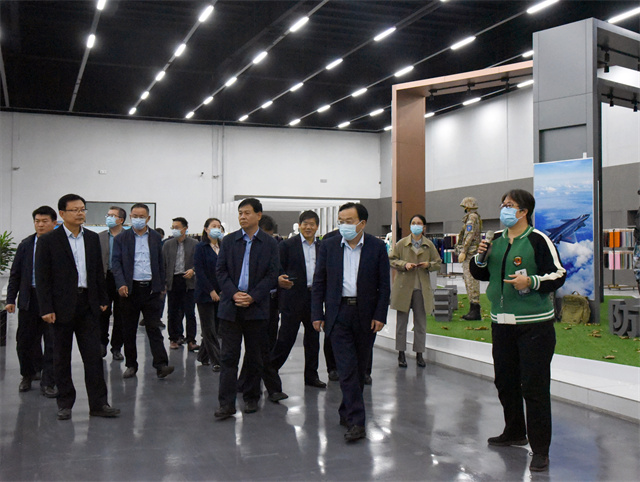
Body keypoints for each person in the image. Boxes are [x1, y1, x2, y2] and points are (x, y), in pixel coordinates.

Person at [470, 189, 566, 473]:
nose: (504, 209)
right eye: (503, 204)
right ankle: (514, 431)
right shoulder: (495, 240)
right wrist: (480, 258)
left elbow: (558, 274)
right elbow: (481, 274)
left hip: (534, 326)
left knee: (534, 388)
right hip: (501, 325)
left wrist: (531, 282)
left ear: (524, 211)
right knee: (505, 382)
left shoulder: (538, 240)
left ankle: (540, 450)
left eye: (510, 205)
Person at [35, 194, 120, 420]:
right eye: (75, 210)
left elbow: (97, 271)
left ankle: (99, 404)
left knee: (94, 357)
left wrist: (103, 299)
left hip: (88, 305)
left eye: (82, 209)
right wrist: (46, 308)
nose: (80, 213)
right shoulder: (48, 241)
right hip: (60, 307)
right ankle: (65, 403)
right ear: (62, 214)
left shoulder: (91, 238)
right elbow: (42, 278)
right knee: (61, 357)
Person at [312, 202, 390, 442]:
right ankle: (357, 421)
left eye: (349, 221)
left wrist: (380, 315)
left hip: (366, 315)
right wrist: (317, 314)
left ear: (362, 223)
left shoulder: (377, 247)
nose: (343, 226)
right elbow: (319, 282)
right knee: (346, 368)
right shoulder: (329, 246)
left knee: (359, 369)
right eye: (341, 221)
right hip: (338, 313)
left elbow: (384, 285)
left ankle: (346, 410)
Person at [214, 198, 281, 419]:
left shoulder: (270, 243)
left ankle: (251, 397)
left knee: (255, 356)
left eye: (247, 213)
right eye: (240, 213)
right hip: (231, 307)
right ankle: (226, 403)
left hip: (256, 308)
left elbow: (272, 275)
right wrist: (234, 293)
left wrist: (252, 296)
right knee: (228, 357)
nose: (242, 217)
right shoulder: (229, 241)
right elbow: (221, 271)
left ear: (258, 215)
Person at [111, 203, 174, 379]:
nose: (138, 219)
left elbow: (160, 262)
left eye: (141, 216)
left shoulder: (155, 237)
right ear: (130, 217)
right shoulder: (121, 238)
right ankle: (131, 365)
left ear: (148, 218)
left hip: (151, 290)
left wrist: (161, 285)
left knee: (154, 328)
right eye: (135, 216)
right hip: (130, 290)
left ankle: (161, 365)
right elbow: (116, 263)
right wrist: (121, 283)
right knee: (129, 330)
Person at [6, 206, 58, 396]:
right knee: (25, 340)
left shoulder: (60, 245)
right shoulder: (26, 244)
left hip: (52, 301)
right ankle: (27, 375)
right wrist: (11, 298)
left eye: (44, 221)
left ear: (54, 223)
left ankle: (48, 382)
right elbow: (15, 274)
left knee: (52, 342)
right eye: (37, 221)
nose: (40, 225)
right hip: (30, 299)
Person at [271, 210, 327, 388]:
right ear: (300, 225)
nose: (308, 227)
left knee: (313, 340)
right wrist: (280, 280)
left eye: (312, 224)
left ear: (317, 227)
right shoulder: (287, 245)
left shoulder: (322, 246)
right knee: (286, 339)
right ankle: (270, 371)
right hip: (293, 297)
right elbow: (277, 268)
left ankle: (311, 376)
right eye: (305, 224)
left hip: (314, 298)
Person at [389, 214, 442, 368]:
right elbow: (392, 259)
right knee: (401, 323)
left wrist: (428, 265)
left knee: (420, 323)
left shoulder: (429, 245)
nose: (416, 225)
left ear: (424, 227)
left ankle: (419, 354)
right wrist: (404, 264)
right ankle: (401, 353)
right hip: (403, 288)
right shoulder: (401, 244)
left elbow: (438, 263)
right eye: (413, 223)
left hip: (420, 288)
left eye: (419, 223)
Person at [163, 217, 199, 351]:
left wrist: (193, 270)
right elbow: (163, 264)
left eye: (177, 227)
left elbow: (199, 262)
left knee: (190, 312)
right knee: (173, 311)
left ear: (185, 228)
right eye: (173, 227)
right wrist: (163, 283)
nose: (174, 230)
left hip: (189, 281)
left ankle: (191, 340)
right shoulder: (167, 244)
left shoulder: (194, 244)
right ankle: (174, 338)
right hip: (173, 281)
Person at [194, 218, 223, 371]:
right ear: (206, 229)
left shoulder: (223, 247)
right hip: (205, 293)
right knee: (209, 329)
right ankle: (217, 360)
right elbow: (200, 272)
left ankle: (203, 355)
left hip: (221, 293)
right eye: (213, 226)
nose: (217, 229)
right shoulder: (201, 247)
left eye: (219, 226)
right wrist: (211, 290)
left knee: (217, 327)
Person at [98, 206, 126, 361]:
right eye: (108, 215)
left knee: (121, 315)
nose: (108, 218)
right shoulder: (100, 237)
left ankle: (116, 347)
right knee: (102, 312)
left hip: (121, 278)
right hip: (105, 278)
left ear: (120, 220)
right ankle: (101, 343)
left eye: (112, 215)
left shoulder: (128, 237)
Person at [455, 197, 482, 320]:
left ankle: (475, 310)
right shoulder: (473, 217)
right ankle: (473, 309)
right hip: (471, 252)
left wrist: (463, 251)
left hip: (470, 253)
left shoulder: (472, 217)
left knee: (471, 280)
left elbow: (469, 235)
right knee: (469, 280)